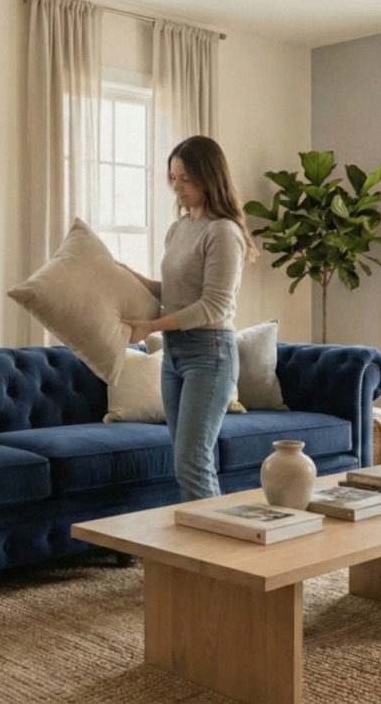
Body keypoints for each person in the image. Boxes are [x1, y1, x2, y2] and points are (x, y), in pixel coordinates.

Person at [121, 136, 258, 501]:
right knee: (188, 460)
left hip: (210, 355)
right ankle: (201, 543)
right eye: (173, 178)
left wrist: (151, 327)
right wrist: (127, 276)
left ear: (208, 177)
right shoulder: (179, 229)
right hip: (175, 354)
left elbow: (212, 306)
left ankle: (213, 552)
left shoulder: (224, 233)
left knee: (192, 461)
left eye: (185, 178)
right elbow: (175, 292)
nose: (177, 187)